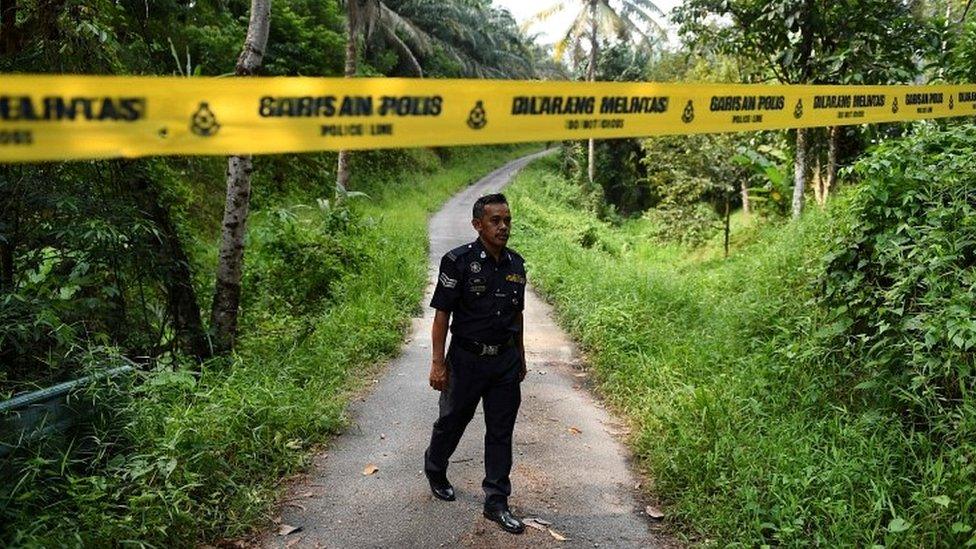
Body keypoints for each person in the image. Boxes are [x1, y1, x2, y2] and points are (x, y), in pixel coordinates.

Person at [423, 193, 528, 534]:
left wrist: (521, 357)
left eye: (507, 220)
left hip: (505, 362)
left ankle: (496, 501)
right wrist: (438, 363)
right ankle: (436, 466)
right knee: (453, 419)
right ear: (477, 225)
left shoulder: (516, 264)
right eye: (496, 220)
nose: (503, 227)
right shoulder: (458, 262)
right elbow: (442, 315)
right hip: (466, 360)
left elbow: (518, 316)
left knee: (500, 431)